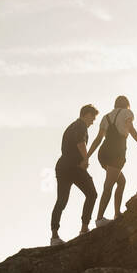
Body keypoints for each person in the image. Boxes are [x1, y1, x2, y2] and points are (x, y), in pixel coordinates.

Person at [87, 95, 137, 226]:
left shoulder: (105, 117)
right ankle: (99, 218)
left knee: (121, 181)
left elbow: (98, 139)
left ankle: (116, 213)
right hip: (116, 152)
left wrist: (88, 156)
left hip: (103, 153)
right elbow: (131, 129)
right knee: (108, 185)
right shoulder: (127, 113)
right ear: (127, 104)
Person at [50, 104, 98, 245]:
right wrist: (85, 159)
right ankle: (84, 229)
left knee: (62, 201)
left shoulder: (72, 126)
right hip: (73, 167)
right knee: (92, 194)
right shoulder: (80, 126)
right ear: (86, 114)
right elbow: (80, 142)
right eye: (92, 118)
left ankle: (54, 236)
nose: (93, 121)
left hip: (62, 166)